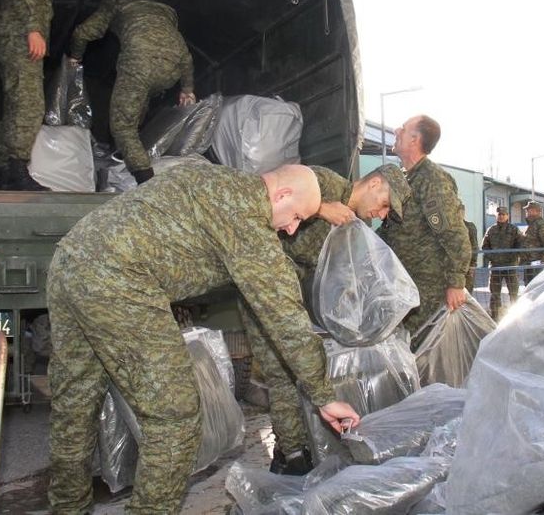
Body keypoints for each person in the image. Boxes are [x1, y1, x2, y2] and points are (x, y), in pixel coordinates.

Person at [46, 163, 360, 514]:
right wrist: (323, 395)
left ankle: (66, 508)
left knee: (74, 403)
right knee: (175, 418)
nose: (291, 228)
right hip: (118, 280)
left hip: (70, 258)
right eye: (297, 216)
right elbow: (286, 318)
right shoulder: (248, 221)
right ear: (282, 195)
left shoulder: (212, 175)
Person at [256, 163, 411, 474]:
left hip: (297, 301)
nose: (381, 214)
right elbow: (263, 203)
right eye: (383, 205)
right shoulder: (322, 182)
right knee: (282, 374)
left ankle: (305, 450)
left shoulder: (355, 228)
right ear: (374, 183)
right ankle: (292, 457)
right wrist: (320, 209)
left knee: (307, 372)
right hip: (265, 287)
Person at [68, 0, 196, 185]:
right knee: (137, 107)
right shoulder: (165, 13)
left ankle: (146, 182)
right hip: (173, 68)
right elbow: (185, 56)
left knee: (122, 126)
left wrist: (74, 57)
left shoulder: (114, 4)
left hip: (139, 62)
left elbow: (83, 32)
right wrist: (187, 89)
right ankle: (125, 154)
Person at [378, 115, 472, 339]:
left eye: (403, 128)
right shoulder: (404, 179)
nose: (395, 130)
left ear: (414, 139)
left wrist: (456, 283)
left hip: (428, 292)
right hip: (405, 286)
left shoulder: (432, 180)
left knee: (423, 353)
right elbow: (392, 230)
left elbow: (455, 235)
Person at [0, 0, 70, 190]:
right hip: (19, 38)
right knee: (30, 105)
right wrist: (33, 29)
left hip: (15, 38)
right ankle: (15, 171)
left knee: (17, 105)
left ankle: (7, 172)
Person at [481, 206, 523, 321]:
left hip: (510, 266)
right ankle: (495, 318)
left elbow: (520, 244)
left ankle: (517, 318)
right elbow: (485, 246)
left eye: (503, 214)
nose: (501, 216)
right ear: (496, 216)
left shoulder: (513, 229)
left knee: (513, 293)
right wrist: (492, 257)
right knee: (495, 294)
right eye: (499, 214)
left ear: (508, 216)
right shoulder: (491, 230)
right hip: (495, 267)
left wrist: (513, 256)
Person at [520, 200, 544, 284]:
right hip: (530, 263)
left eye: (529, 210)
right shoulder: (532, 224)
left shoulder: (541, 224)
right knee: (529, 286)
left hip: (537, 263)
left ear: (537, 211)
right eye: (527, 210)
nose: (527, 212)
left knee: (536, 286)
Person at [464, 217, 479, 294]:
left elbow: (474, 246)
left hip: (467, 265)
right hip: (452, 267)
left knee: (467, 291)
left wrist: (473, 264)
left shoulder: (469, 226)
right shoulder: (449, 226)